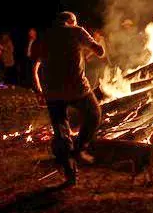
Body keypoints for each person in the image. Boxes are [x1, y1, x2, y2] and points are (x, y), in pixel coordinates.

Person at [33, 11, 105, 186]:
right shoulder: (76, 31)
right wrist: (94, 43)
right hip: (77, 89)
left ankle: (70, 175)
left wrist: (39, 90)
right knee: (94, 115)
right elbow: (100, 52)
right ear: (71, 21)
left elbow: (33, 68)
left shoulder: (43, 37)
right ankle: (79, 149)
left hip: (52, 92)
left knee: (61, 132)